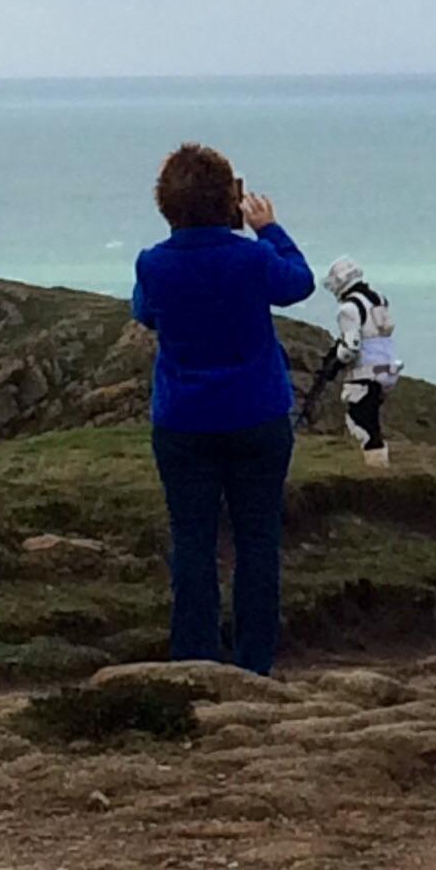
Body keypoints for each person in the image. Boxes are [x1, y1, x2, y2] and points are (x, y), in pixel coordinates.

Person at [131, 144, 315, 676]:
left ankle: (195, 661)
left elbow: (144, 312)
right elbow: (298, 283)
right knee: (258, 542)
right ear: (228, 201)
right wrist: (269, 229)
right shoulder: (253, 257)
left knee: (192, 541)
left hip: (183, 420)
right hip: (257, 414)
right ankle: (254, 665)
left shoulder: (154, 263)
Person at [321, 256, 402, 468]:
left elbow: (351, 347)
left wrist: (334, 365)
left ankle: (376, 468)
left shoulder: (349, 308)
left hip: (365, 370)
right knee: (371, 419)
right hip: (389, 367)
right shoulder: (379, 299)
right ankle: (379, 465)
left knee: (360, 421)